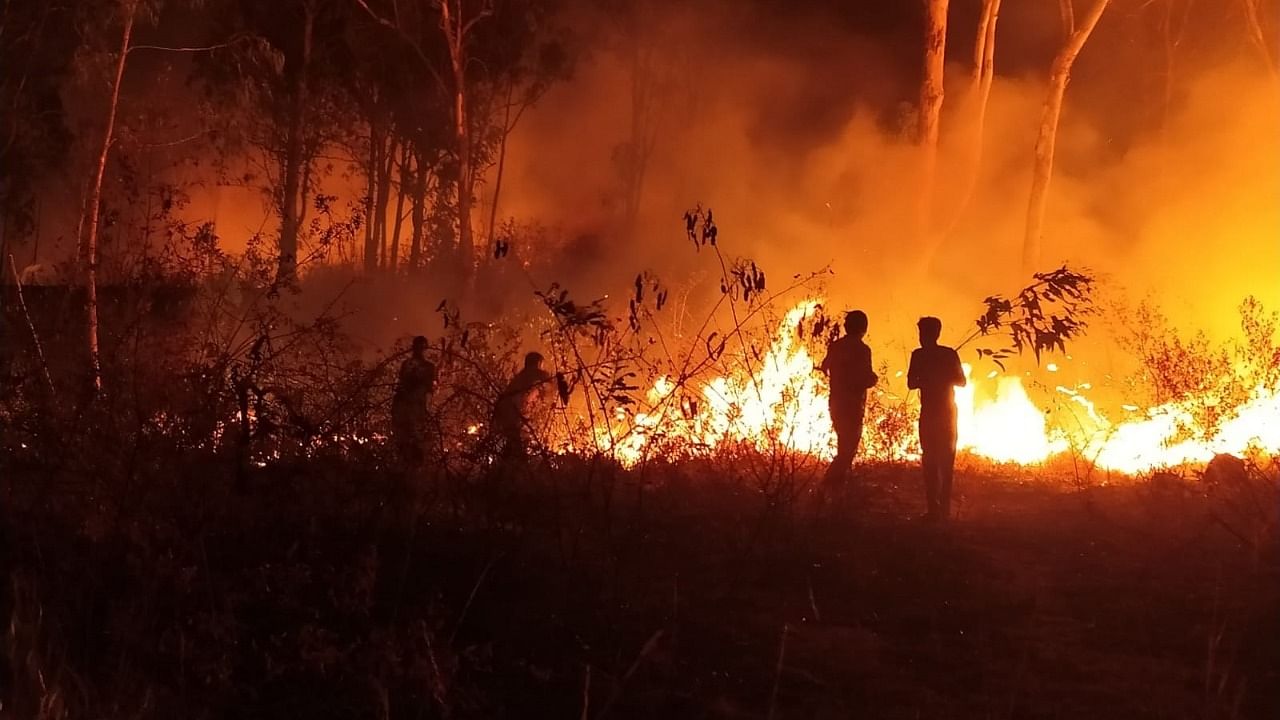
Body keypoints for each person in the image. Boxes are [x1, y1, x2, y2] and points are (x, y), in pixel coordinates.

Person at [907, 316, 967, 522]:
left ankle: (942, 510)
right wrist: (933, 375)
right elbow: (911, 383)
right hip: (933, 413)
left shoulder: (945, 355)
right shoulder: (926, 355)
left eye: (925, 333)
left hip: (944, 413)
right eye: (921, 334)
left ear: (935, 334)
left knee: (943, 460)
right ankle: (935, 509)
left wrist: (936, 376)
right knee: (932, 460)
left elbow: (961, 381)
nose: (923, 337)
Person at [818, 310, 878, 485]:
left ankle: (839, 488)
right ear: (864, 328)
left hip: (836, 402)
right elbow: (864, 378)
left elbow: (825, 367)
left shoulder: (835, 346)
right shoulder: (862, 350)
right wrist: (873, 379)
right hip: (853, 405)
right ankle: (828, 484)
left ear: (846, 326)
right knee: (848, 449)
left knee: (843, 444)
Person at [492, 351, 553, 458]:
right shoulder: (531, 372)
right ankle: (515, 467)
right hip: (509, 411)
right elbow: (548, 379)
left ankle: (506, 467)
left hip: (505, 411)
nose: (542, 367)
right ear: (538, 363)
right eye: (542, 364)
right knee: (516, 445)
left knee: (513, 443)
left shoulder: (522, 376)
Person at [391, 335, 436, 466]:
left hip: (416, 407)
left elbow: (429, 388)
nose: (419, 350)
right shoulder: (411, 365)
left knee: (415, 439)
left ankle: (414, 467)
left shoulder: (427, 367)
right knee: (406, 439)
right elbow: (402, 385)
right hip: (407, 407)